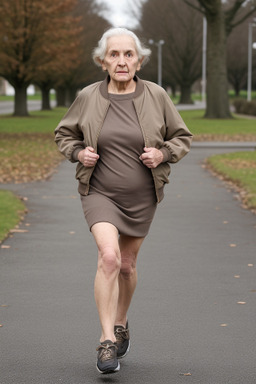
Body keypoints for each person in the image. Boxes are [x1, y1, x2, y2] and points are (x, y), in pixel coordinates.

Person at [54, 27, 193, 374]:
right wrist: (77, 152)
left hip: (142, 195)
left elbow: (181, 137)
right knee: (110, 257)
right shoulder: (88, 96)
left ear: (139, 60)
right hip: (99, 191)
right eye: (114, 55)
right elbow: (64, 133)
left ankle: (121, 321)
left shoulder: (156, 95)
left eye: (128, 54)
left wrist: (161, 155)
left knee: (128, 265)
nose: (121, 61)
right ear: (103, 61)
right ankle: (105, 342)